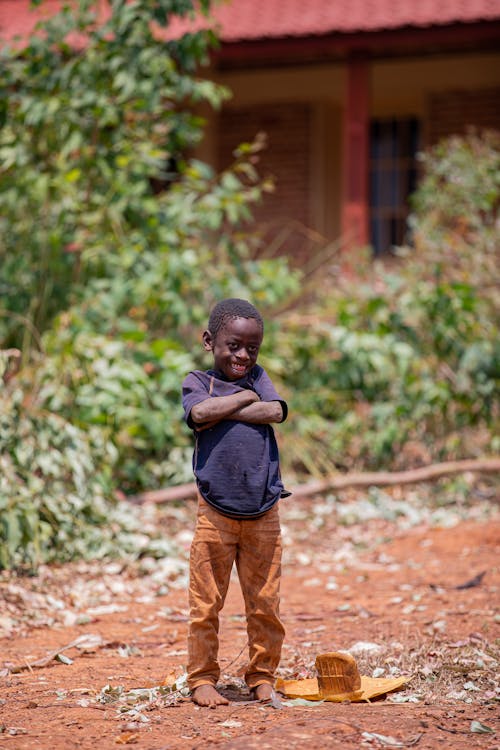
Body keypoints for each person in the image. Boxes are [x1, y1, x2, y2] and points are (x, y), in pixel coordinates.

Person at [182, 298, 290, 708]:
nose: (244, 356)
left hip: (264, 510)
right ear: (210, 341)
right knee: (205, 604)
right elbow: (200, 412)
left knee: (265, 605)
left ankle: (262, 678)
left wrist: (230, 408)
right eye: (233, 346)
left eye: (252, 348)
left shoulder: (258, 377)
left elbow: (277, 411)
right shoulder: (197, 381)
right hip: (215, 512)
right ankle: (203, 680)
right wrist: (246, 401)